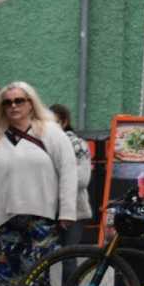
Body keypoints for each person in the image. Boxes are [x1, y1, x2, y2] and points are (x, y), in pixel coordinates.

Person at [0, 83, 77, 286]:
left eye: (19, 100)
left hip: (41, 216)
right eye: (8, 102)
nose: (14, 106)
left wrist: (66, 211)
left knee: (38, 276)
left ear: (31, 103)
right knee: (3, 282)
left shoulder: (50, 132)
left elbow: (68, 171)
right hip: (3, 219)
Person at [48, 104, 92, 249]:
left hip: (75, 211)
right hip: (48, 211)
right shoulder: (44, 144)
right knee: (44, 258)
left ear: (64, 122)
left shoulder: (78, 145)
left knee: (68, 257)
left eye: (53, 122)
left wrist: (56, 177)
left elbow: (83, 179)